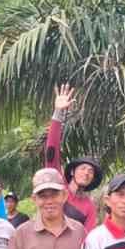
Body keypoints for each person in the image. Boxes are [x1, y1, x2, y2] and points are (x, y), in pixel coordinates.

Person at [43, 84, 102, 230]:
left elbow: (88, 237)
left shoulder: (89, 206)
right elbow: (52, 151)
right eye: (83, 168)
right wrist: (58, 113)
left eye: (91, 171)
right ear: (72, 172)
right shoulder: (58, 185)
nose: (87, 173)